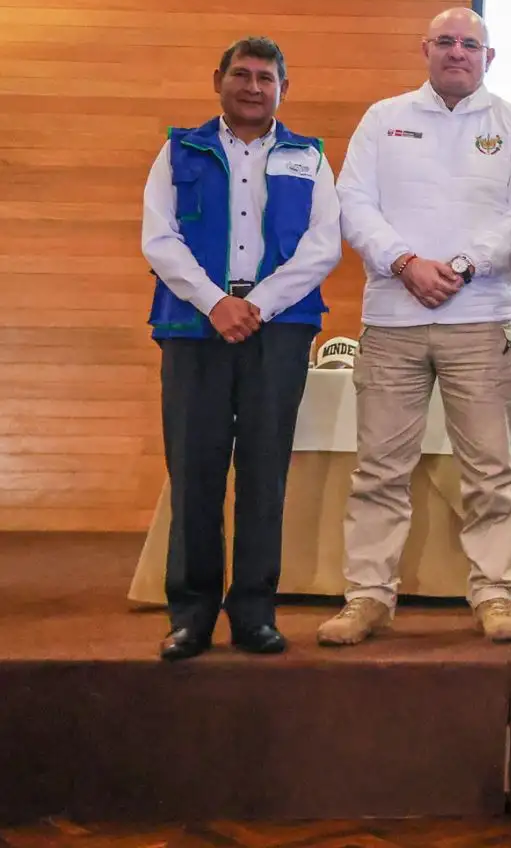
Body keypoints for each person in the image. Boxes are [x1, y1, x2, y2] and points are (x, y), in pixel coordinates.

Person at [320, 8, 511, 647]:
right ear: (424, 48)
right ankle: (368, 596)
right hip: (393, 318)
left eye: (469, 44)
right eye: (446, 42)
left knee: (489, 472)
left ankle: (494, 592)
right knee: (379, 471)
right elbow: (353, 203)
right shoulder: (383, 118)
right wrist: (404, 262)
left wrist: (461, 265)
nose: (457, 52)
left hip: (481, 318)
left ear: (489, 56)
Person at [142, 36, 341, 661]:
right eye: (242, 74)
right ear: (218, 80)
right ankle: (192, 615)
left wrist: (260, 304)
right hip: (195, 328)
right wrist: (216, 303)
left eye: (266, 78)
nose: (254, 87)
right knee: (194, 471)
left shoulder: (309, 157)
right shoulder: (180, 150)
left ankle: (254, 612)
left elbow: (323, 245)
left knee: (264, 474)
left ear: (284, 88)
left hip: (276, 331)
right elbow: (160, 239)